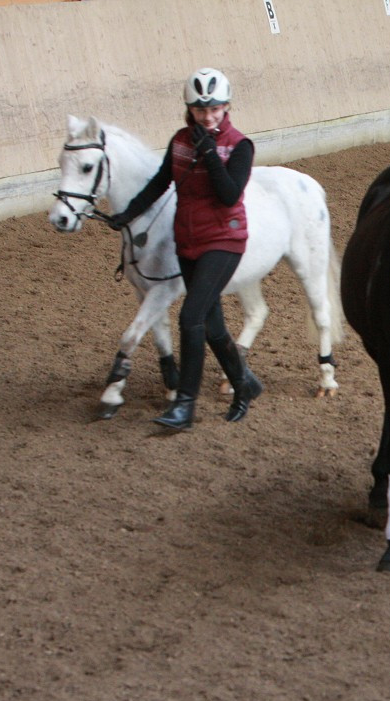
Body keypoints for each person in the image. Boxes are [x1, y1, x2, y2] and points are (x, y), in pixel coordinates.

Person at [107, 68, 261, 430]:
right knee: (212, 326)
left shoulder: (240, 145)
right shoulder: (179, 141)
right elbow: (161, 182)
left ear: (227, 107)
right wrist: (127, 215)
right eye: (199, 110)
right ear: (189, 109)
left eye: (215, 110)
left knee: (190, 317)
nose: (207, 117)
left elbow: (229, 195)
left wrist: (209, 153)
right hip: (188, 241)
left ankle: (184, 406)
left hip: (225, 240)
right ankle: (245, 383)